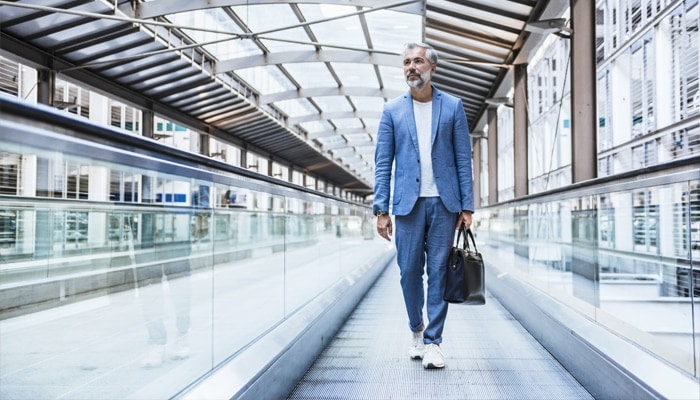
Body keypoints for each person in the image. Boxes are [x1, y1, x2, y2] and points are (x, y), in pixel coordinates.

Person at [373, 42, 474, 369]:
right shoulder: (392, 111)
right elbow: (383, 162)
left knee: (440, 273)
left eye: (417, 61)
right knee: (408, 273)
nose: (411, 67)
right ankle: (416, 328)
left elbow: (463, 159)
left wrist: (467, 206)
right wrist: (380, 209)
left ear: (433, 68)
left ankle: (433, 342)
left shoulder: (453, 107)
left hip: (445, 204)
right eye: (406, 62)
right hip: (407, 206)